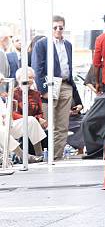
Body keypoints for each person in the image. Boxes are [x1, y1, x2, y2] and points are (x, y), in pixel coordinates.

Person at [31, 15, 77, 161]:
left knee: (63, 124)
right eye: (55, 27)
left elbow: (69, 67)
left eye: (60, 27)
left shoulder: (68, 44)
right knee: (49, 122)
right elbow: (37, 68)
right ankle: (47, 156)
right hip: (50, 85)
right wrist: (43, 90)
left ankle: (56, 156)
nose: (58, 30)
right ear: (50, 28)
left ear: (64, 28)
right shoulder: (42, 44)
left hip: (65, 85)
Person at [11, 67, 46, 162]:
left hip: (32, 122)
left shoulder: (36, 94)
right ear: (19, 79)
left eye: (32, 78)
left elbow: (40, 113)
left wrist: (39, 118)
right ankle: (34, 154)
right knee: (32, 121)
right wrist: (34, 118)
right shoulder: (13, 93)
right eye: (27, 77)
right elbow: (12, 114)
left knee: (33, 121)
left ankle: (39, 154)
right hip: (16, 123)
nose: (30, 80)